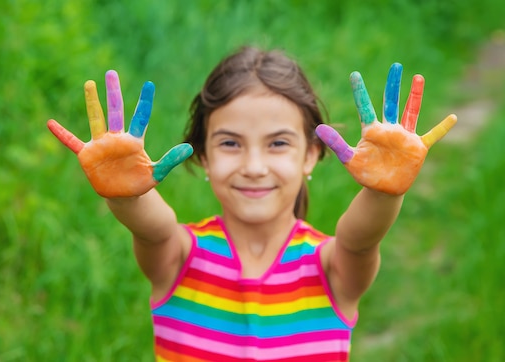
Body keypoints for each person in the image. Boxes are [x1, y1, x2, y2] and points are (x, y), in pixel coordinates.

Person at [47, 46, 456, 361]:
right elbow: (153, 228)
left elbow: (360, 239)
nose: (254, 166)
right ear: (203, 156)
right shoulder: (180, 258)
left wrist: (384, 191)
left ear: (311, 154)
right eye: (230, 143)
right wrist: (127, 193)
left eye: (278, 143)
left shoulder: (331, 268)